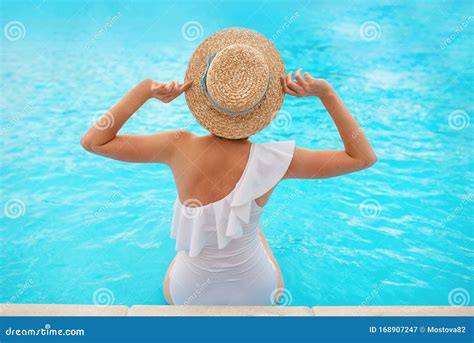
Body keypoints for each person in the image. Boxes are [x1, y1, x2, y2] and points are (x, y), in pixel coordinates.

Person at [81, 28, 376, 306]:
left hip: (189, 295)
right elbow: (361, 158)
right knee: (254, 228)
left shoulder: (176, 145)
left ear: (205, 97)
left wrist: (145, 90)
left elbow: (94, 142)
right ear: (264, 106)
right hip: (258, 294)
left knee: (187, 255)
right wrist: (326, 93)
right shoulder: (277, 160)